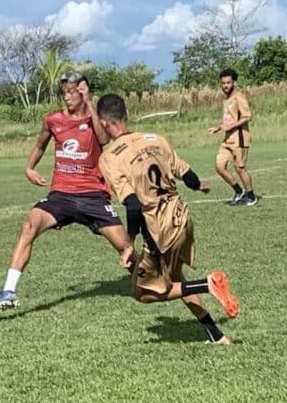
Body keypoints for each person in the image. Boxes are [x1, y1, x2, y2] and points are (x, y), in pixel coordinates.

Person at [97, 93, 239, 344]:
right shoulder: (155, 140)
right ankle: (216, 335)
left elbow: (133, 205)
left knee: (143, 293)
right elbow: (187, 173)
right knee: (175, 279)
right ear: (126, 114)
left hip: (158, 229)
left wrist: (129, 244)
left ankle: (208, 284)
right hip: (181, 217)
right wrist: (199, 186)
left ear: (103, 123)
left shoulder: (110, 157)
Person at [0, 73, 133, 309]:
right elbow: (40, 145)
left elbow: (103, 140)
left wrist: (89, 101)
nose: (67, 97)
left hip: (92, 194)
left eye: (71, 92)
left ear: (82, 91)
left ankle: (151, 278)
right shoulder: (53, 120)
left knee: (124, 246)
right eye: (64, 93)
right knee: (30, 225)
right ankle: (8, 290)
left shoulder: (95, 119)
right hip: (60, 195)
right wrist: (29, 168)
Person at [208, 68, 257, 206]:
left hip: (239, 138)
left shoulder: (239, 97)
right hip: (227, 139)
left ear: (234, 82)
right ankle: (238, 191)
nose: (225, 86)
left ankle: (251, 196)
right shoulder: (226, 99)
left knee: (240, 168)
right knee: (219, 166)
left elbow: (247, 116)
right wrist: (218, 128)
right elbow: (228, 119)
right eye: (223, 83)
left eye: (228, 83)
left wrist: (230, 127)